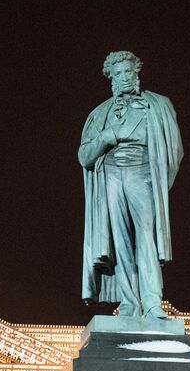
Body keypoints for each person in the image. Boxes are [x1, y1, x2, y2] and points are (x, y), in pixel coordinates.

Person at [78, 50, 183, 322]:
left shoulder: (158, 105)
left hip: (143, 173)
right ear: (111, 79)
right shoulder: (99, 114)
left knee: (146, 236)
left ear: (136, 74)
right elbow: (84, 156)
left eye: (128, 72)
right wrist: (106, 137)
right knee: (120, 241)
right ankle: (128, 304)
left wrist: (159, 185)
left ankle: (152, 303)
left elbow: (175, 151)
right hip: (111, 175)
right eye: (118, 74)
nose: (124, 77)